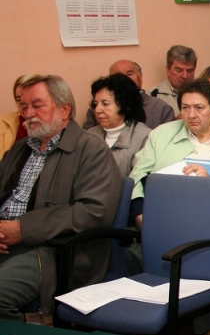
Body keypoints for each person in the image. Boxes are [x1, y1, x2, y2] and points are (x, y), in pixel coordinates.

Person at [0, 75, 122, 321]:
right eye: (24, 106)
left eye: (37, 105)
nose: (28, 114)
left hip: (52, 251)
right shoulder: (20, 149)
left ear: (64, 109)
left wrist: (23, 230)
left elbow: (94, 212)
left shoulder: (92, 150)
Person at [130, 79, 210, 229]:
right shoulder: (161, 135)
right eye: (185, 108)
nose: (191, 115)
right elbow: (136, 177)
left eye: (199, 108)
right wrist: (140, 216)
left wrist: (209, 183)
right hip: (163, 218)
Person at [86, 73, 151, 176]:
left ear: (125, 105)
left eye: (105, 104)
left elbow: (139, 180)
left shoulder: (144, 137)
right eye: (95, 104)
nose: (97, 110)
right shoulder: (89, 135)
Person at [84, 60, 176, 130]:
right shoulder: (96, 109)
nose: (124, 79)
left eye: (129, 74)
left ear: (140, 76)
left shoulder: (161, 107)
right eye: (118, 76)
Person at [150, 45, 198, 114]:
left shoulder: (203, 94)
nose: (185, 76)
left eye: (189, 71)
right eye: (179, 70)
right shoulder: (153, 95)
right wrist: (176, 120)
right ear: (168, 70)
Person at [1, 74, 34, 156]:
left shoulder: (51, 126)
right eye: (19, 100)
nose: (23, 104)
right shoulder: (3, 123)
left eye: (29, 98)